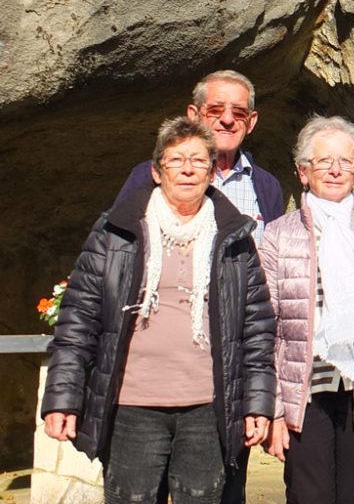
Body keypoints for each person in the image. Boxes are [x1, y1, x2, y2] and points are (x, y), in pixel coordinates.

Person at [41, 117, 275, 504]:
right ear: (155, 170)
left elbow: (257, 331)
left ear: (212, 172)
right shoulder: (116, 232)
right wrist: (63, 399)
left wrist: (257, 404)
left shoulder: (234, 238)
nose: (187, 168)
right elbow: (77, 320)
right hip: (132, 405)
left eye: (199, 161)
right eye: (176, 159)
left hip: (208, 407)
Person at [260, 116, 354, 504]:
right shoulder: (278, 234)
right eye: (324, 161)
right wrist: (272, 409)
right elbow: (265, 327)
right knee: (309, 495)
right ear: (303, 172)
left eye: (346, 161)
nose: (336, 170)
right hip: (303, 393)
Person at [116, 70, 284, 250]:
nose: (227, 119)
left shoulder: (268, 187)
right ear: (194, 115)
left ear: (251, 122)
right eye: (215, 110)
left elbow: (272, 261)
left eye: (239, 113)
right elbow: (116, 246)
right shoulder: (152, 174)